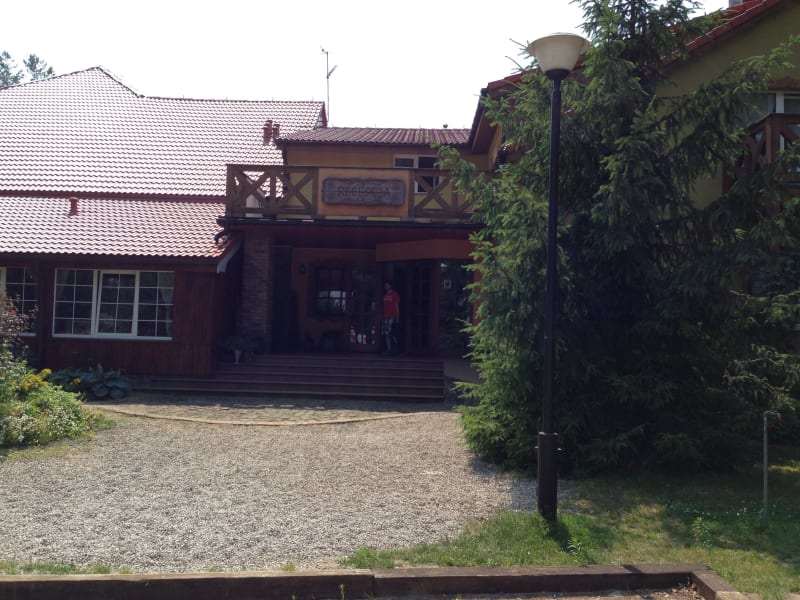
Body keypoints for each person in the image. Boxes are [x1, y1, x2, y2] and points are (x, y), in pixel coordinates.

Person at [381, 280, 400, 354]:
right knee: (387, 333)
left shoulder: (395, 294)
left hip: (392, 316)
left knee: (393, 332)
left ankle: (395, 349)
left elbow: (396, 305)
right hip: (385, 316)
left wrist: (397, 317)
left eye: (387, 285)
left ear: (390, 286)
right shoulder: (385, 295)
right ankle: (388, 349)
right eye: (385, 285)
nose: (385, 286)